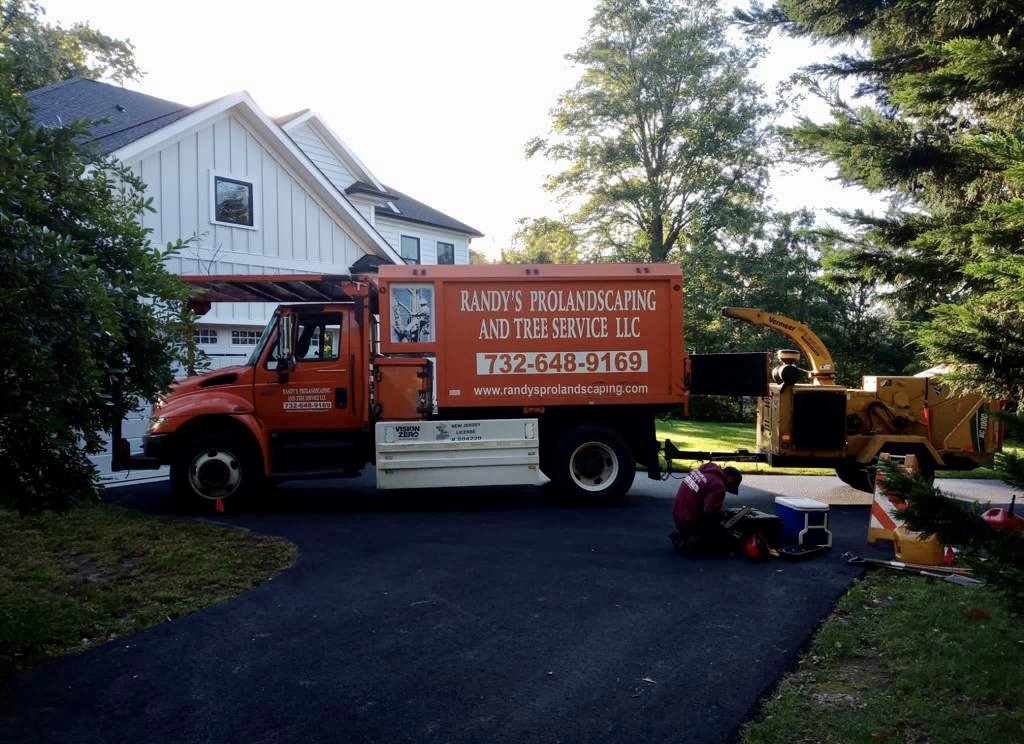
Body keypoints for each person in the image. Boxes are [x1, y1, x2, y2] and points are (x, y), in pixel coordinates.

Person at [670, 463, 743, 557]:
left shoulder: (706, 469)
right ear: (731, 479)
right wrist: (725, 531)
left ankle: (684, 535)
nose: (727, 489)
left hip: (678, 515)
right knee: (728, 543)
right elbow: (710, 516)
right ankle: (687, 543)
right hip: (688, 522)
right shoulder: (718, 485)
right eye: (731, 486)